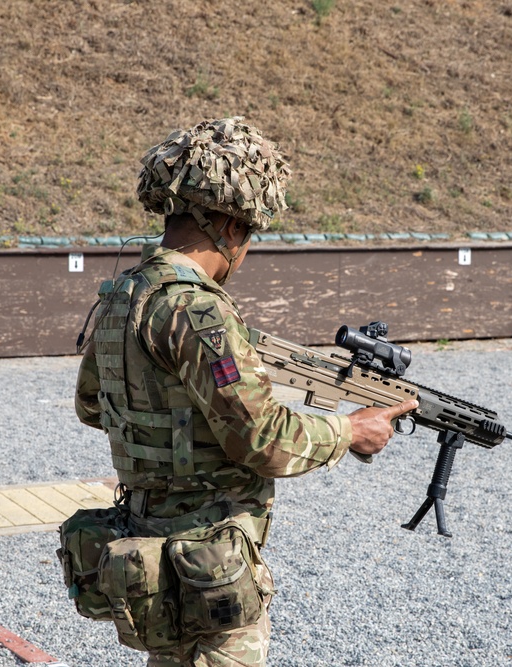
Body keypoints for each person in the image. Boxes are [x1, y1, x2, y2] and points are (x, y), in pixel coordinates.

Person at [74, 117, 417, 667]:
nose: (247, 249)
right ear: (229, 228)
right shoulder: (198, 310)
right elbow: (264, 441)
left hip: (149, 554)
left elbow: (93, 406)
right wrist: (353, 428)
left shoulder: (120, 297)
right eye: (250, 234)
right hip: (209, 560)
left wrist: (178, 425)